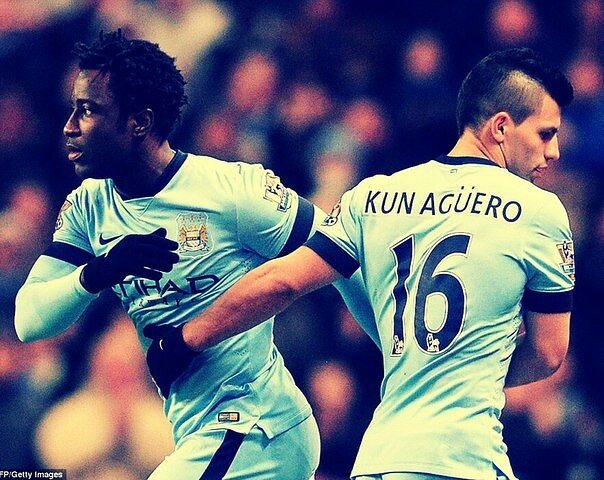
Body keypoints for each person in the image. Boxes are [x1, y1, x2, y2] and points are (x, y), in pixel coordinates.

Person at [160, 48, 576, 480]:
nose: (555, 152)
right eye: (546, 134)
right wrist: (464, 369)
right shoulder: (538, 211)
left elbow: (281, 281)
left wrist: (186, 339)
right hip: (462, 459)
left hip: (379, 458)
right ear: (501, 127)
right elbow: (548, 353)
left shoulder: (373, 197)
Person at [14, 29, 376, 480]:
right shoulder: (89, 206)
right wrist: (99, 272)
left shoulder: (231, 191)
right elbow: (29, 321)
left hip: (255, 426)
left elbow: (343, 251)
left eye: (88, 110)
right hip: (198, 431)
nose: (70, 125)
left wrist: (394, 359)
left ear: (139, 122)